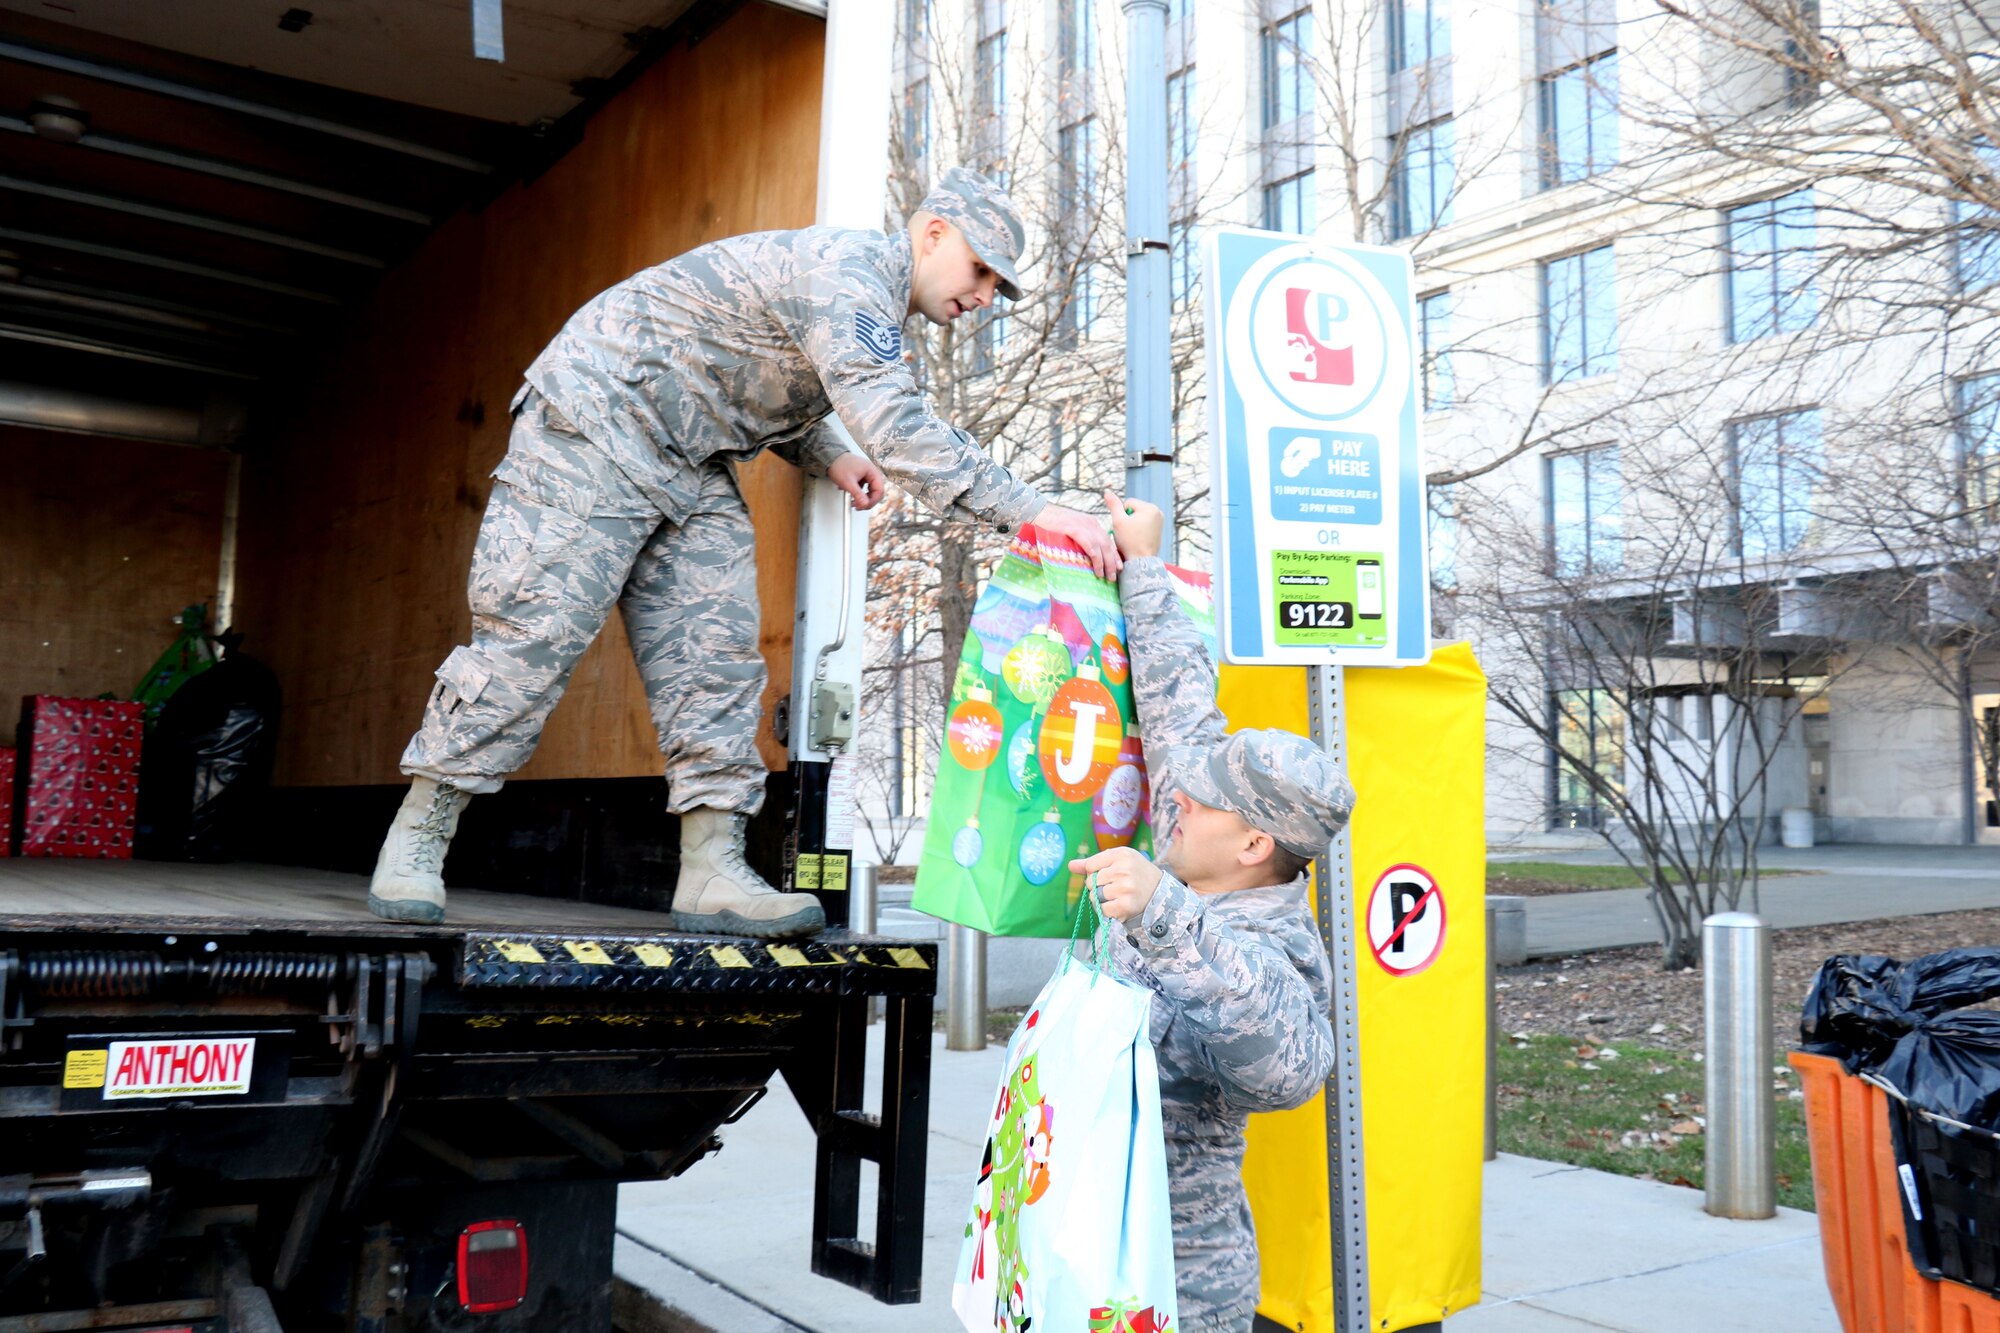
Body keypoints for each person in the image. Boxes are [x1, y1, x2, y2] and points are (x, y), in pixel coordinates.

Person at [367, 167, 1120, 935]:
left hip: (688, 456)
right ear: (933, 234)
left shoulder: (871, 306)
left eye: (999, 282)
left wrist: (827, 450)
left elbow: (754, 358)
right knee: (536, 636)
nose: (986, 293)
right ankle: (419, 833)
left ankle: (710, 869)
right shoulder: (853, 277)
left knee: (718, 655)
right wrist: (1038, 511)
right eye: (982, 268)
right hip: (598, 418)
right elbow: (896, 423)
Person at [1071, 491, 1353, 1333]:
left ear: (1255, 845)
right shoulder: (1203, 852)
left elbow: (1291, 1065)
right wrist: (1144, 562)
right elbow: (1177, 706)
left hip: (1175, 1286)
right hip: (1080, 1253)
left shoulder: (1274, 939)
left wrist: (1164, 916)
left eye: (1206, 798)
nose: (1180, 795)